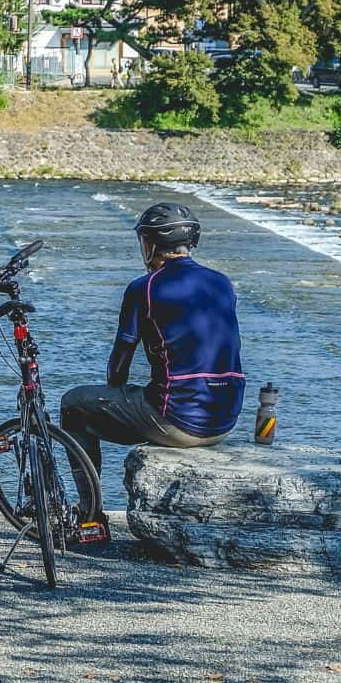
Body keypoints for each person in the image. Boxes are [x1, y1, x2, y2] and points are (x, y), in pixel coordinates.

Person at [60, 202, 245, 494]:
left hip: (178, 422)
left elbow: (121, 359)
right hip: (225, 420)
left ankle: (89, 515)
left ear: (151, 243)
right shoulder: (223, 283)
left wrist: (115, 394)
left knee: (74, 404)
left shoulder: (144, 288)